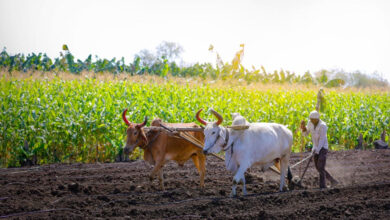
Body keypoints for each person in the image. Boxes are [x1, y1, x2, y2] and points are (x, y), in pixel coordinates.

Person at [300, 110, 338, 189]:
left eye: (312, 119)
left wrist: (317, 151)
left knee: (320, 167)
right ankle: (333, 181)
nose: (310, 120)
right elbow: (306, 134)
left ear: (317, 119)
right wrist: (303, 128)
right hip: (315, 147)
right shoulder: (310, 123)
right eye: (310, 119)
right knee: (318, 168)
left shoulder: (323, 126)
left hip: (323, 148)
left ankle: (322, 186)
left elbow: (322, 139)